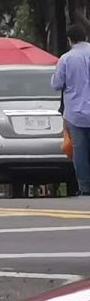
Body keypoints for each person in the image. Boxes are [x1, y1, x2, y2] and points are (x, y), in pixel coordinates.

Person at [52, 23, 90, 196]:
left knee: (80, 151)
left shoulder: (66, 59)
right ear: (85, 36)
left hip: (75, 113)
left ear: (69, 40)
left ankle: (85, 188)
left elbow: (56, 84)